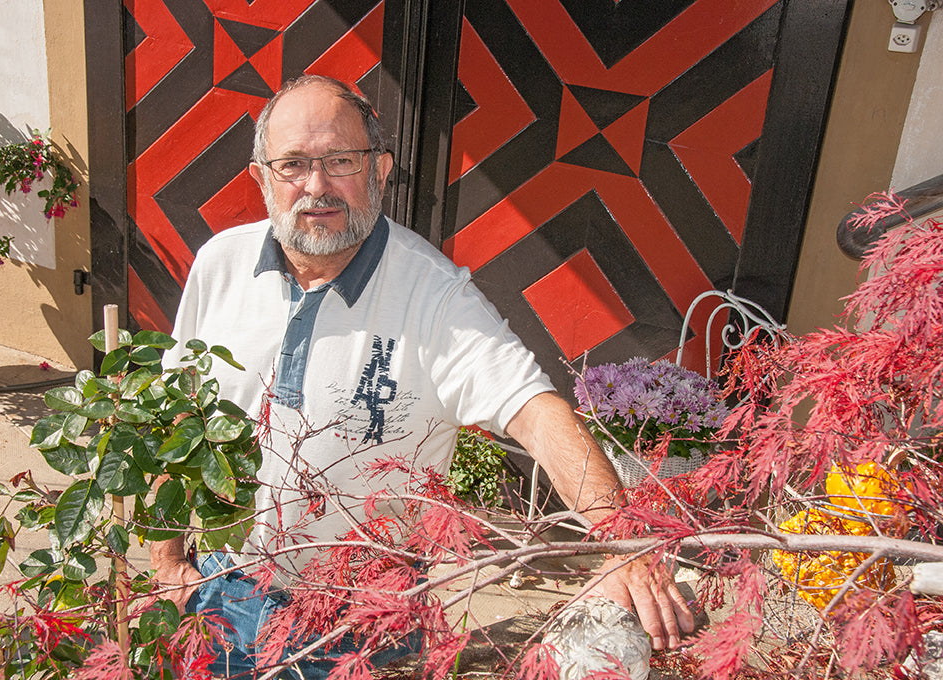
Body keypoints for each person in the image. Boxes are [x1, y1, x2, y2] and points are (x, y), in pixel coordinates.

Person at [153, 74, 693, 677]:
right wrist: (166, 558)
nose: (317, 186)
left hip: (364, 616)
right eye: (293, 165)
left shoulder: (434, 297)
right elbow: (180, 414)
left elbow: (536, 413)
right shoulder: (218, 266)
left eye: (341, 160)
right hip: (226, 587)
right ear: (261, 178)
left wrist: (621, 540)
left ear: (380, 169)